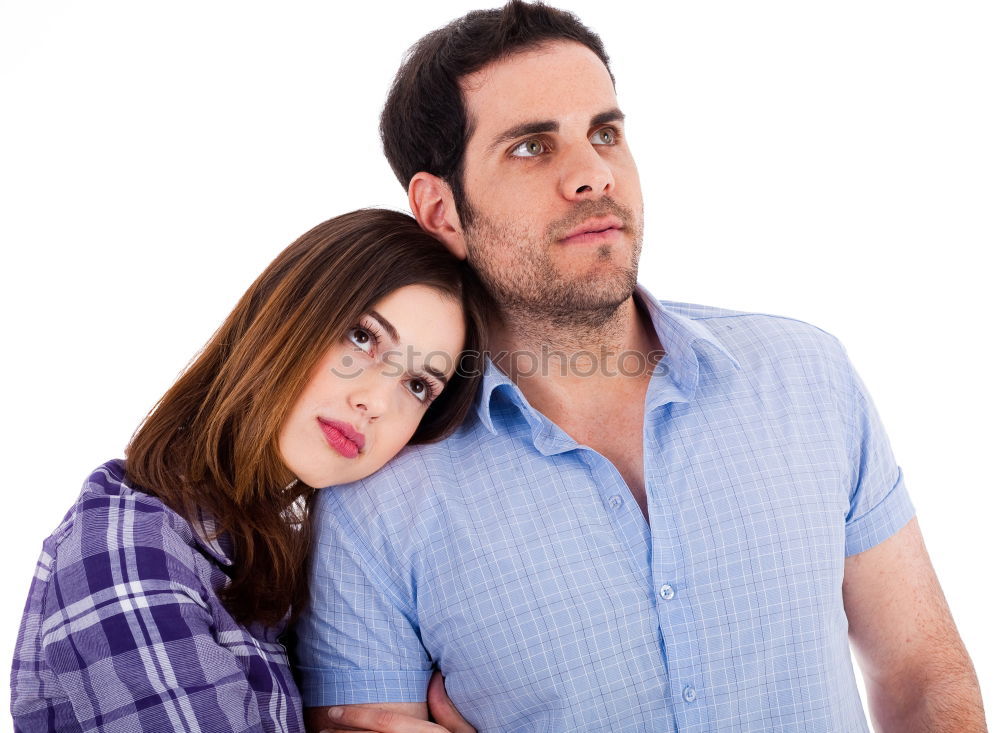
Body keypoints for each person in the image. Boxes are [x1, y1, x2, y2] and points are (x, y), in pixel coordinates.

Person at [296, 3, 988, 732]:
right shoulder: (376, 499)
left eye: (604, 133)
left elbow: (921, 675)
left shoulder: (807, 377)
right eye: (532, 147)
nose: (593, 174)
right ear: (441, 211)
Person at [10, 209, 488, 732]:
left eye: (418, 385)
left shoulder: (277, 563)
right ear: (286, 313)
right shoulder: (127, 544)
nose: (375, 401)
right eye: (362, 338)